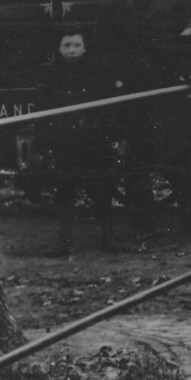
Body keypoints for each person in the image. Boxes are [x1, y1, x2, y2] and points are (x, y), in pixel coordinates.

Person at [94, 0, 191, 241]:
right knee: (137, 161)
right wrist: (118, 81)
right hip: (132, 96)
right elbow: (102, 52)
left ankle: (189, 221)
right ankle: (142, 224)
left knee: (176, 154)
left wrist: (178, 79)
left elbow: (184, 47)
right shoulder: (110, 7)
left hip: (166, 95)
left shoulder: (173, 4)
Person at [33, 26, 124, 254]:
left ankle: (108, 237)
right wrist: (42, 146)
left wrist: (112, 136)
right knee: (65, 190)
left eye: (76, 45)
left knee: (103, 188)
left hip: (93, 140)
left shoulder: (99, 73)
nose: (71, 50)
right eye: (67, 45)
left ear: (84, 48)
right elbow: (42, 112)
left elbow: (111, 109)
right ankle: (65, 240)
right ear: (59, 48)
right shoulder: (50, 75)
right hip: (65, 141)